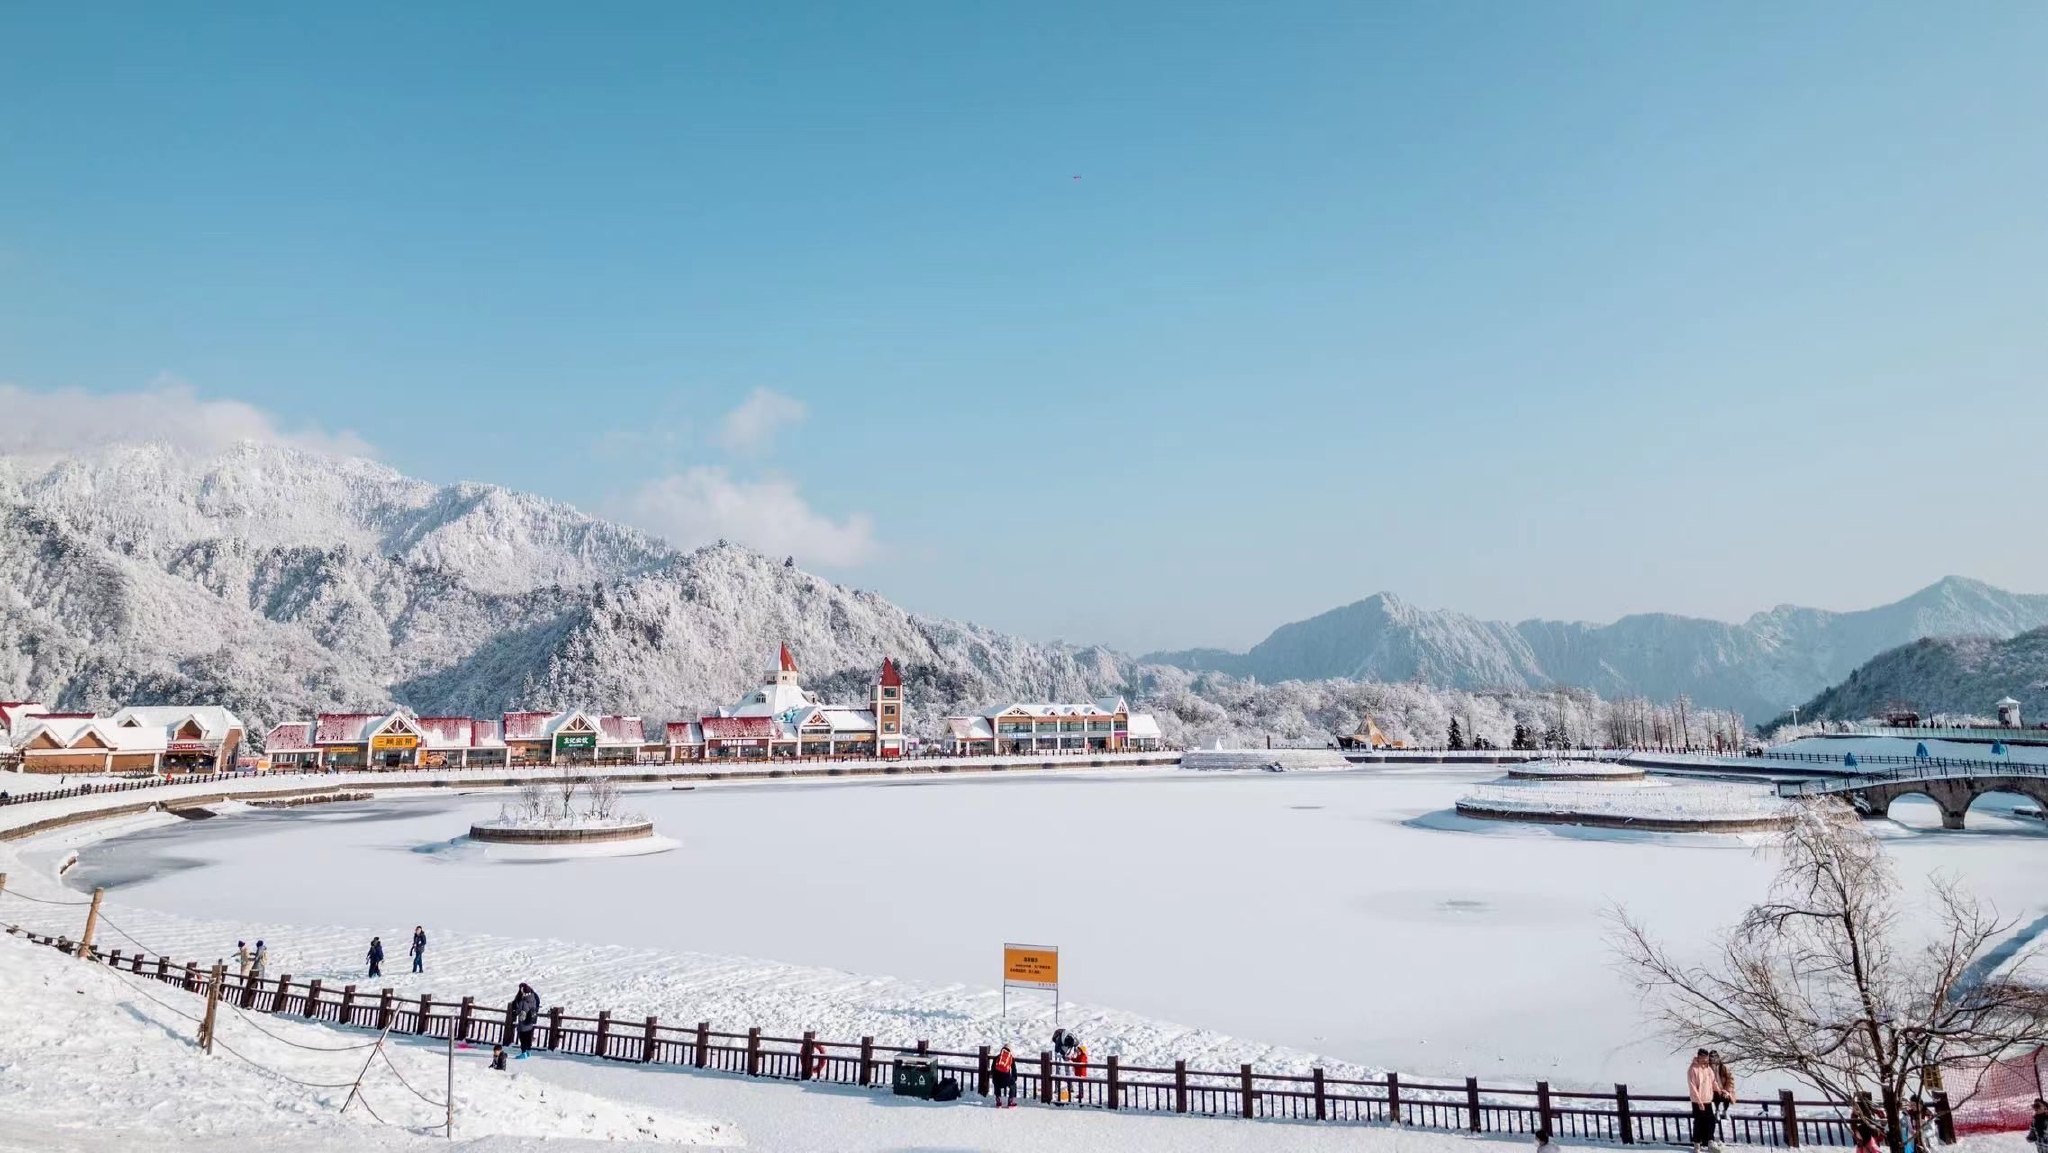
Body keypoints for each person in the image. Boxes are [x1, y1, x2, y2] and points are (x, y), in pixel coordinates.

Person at [1687, 1050, 1719, 1153]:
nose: (1705, 1059)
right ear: (1699, 1057)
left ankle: (1710, 1141)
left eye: (1706, 1057)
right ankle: (1697, 1144)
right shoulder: (1693, 1069)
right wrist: (1698, 1101)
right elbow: (1692, 1087)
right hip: (1697, 1102)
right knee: (1698, 1122)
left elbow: (1713, 1082)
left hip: (1708, 1100)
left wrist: (1719, 1090)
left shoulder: (1708, 1069)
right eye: (1703, 1057)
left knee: (1710, 1122)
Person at [509, 982, 541, 1058]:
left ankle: (524, 1053)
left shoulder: (523, 1001)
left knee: (523, 1039)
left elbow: (517, 1010)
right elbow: (536, 1005)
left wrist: (514, 1010)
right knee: (528, 1037)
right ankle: (529, 1052)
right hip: (530, 1022)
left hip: (523, 1022)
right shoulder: (534, 998)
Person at [991, 1044, 1018, 1108]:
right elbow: (1014, 1070)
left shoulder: (997, 1057)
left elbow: (993, 1069)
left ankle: (998, 1101)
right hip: (1006, 1079)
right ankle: (1010, 1102)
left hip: (997, 1079)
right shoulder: (1011, 1058)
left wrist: (993, 1078)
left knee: (996, 1083)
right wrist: (1014, 1078)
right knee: (1013, 1085)